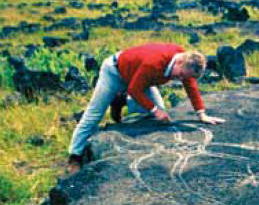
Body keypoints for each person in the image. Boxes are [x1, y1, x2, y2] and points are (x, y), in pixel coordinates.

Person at [66, 42, 225, 173]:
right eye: (181, 74)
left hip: (141, 77)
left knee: (159, 113)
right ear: (180, 62)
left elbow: (190, 85)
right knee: (94, 114)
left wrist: (201, 113)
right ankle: (75, 157)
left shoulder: (185, 60)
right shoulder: (155, 63)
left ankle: (121, 101)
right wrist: (155, 110)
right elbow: (135, 89)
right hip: (115, 72)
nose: (180, 79)